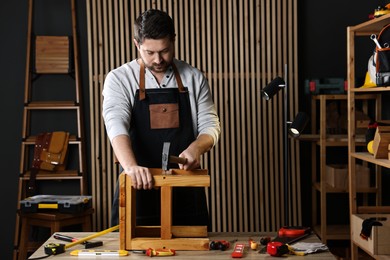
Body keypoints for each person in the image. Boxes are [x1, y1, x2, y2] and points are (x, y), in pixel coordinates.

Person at [102, 9, 220, 227]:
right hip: (136, 187)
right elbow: (115, 124)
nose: (158, 59)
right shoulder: (119, 79)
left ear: (174, 40)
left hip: (185, 189)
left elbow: (210, 124)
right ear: (136, 44)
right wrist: (130, 167)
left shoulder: (193, 78)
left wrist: (197, 148)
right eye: (149, 52)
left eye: (165, 51)